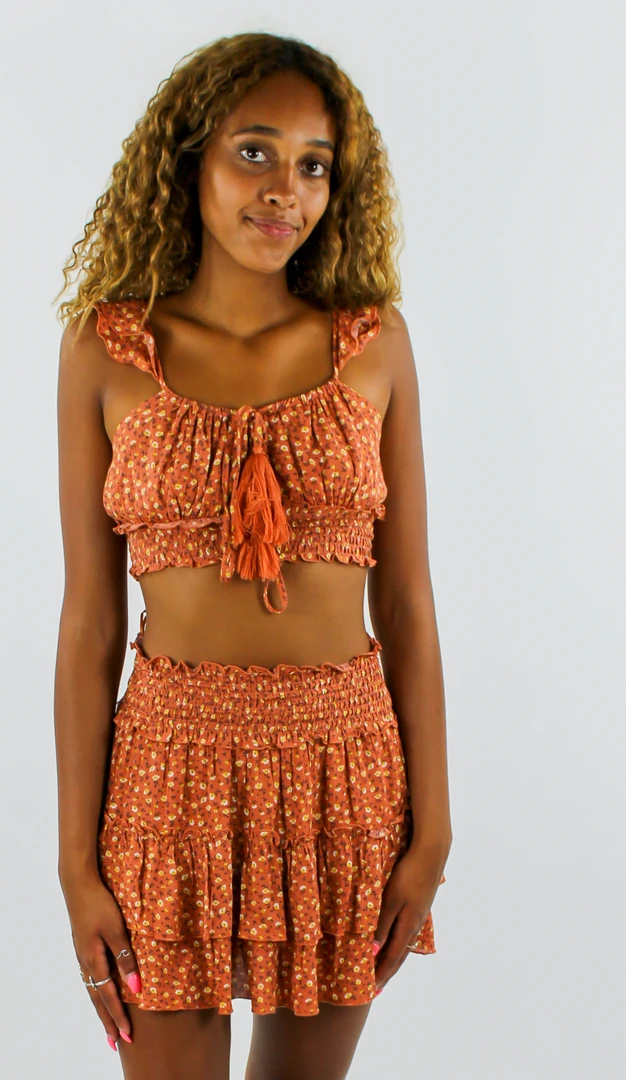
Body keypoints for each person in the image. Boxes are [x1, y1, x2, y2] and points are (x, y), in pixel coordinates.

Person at [53, 31, 451, 1080]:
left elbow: (406, 603)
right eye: (255, 152)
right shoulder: (105, 348)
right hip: (165, 779)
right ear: (189, 160)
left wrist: (434, 831)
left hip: (342, 777)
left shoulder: (373, 343)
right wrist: (74, 866)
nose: (285, 190)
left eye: (315, 165)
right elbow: (90, 622)